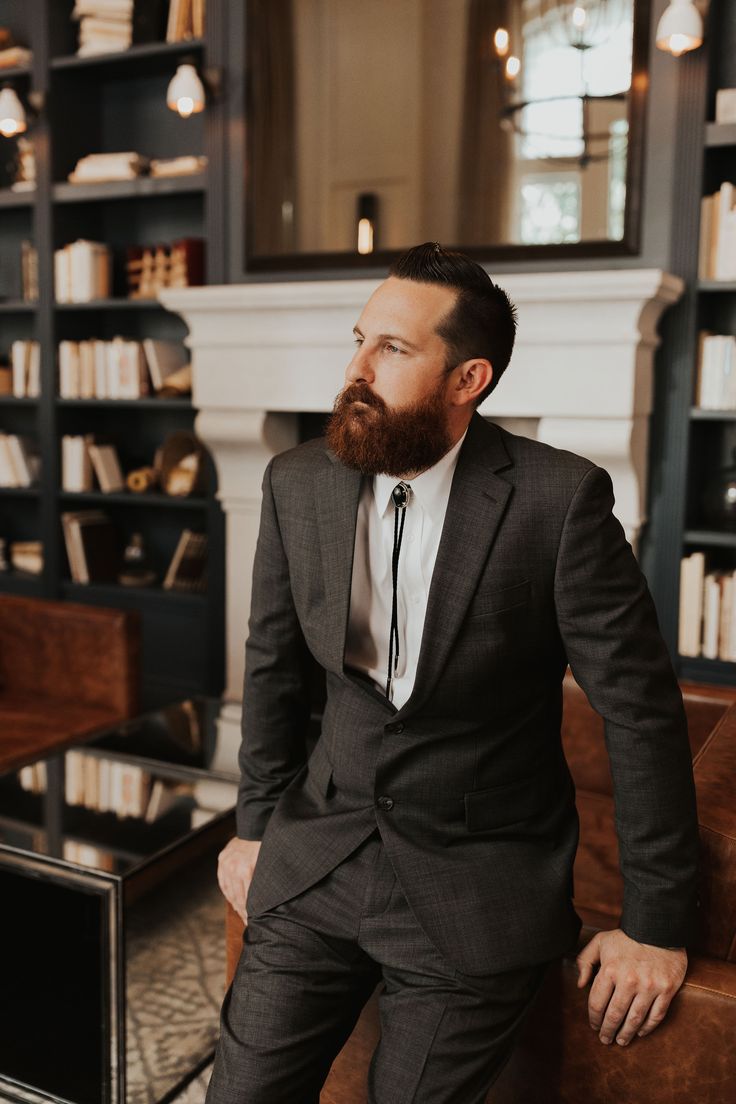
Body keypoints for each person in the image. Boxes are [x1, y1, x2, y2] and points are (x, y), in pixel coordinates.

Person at [206, 242, 699, 1104]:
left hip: (476, 886)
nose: (356, 369)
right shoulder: (297, 484)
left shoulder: (559, 503)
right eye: (359, 339)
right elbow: (274, 668)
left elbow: (641, 714)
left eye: (392, 349)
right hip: (320, 853)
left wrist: (655, 925)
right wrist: (255, 824)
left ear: (468, 378)